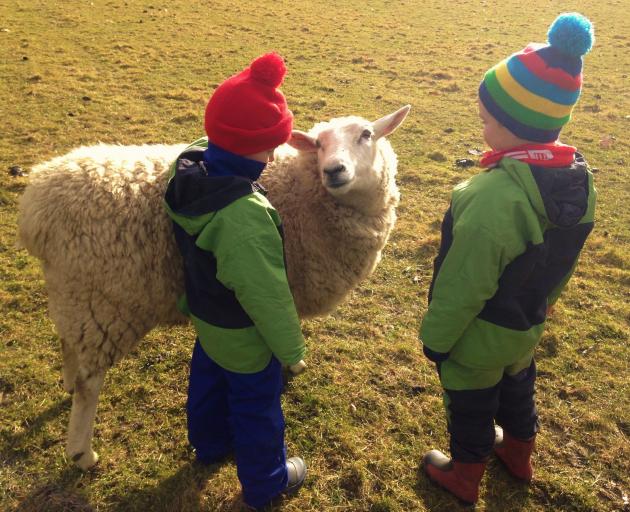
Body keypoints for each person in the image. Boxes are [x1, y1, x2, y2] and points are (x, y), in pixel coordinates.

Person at [419, 13, 597, 505]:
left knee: (472, 402)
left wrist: (436, 340)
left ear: (517, 126)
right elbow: (564, 263)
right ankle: (519, 454)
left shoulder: (490, 199)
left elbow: (463, 283)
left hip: (479, 332)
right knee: (518, 384)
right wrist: (540, 306)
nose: (481, 125)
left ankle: (465, 475)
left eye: (486, 119)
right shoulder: (580, 182)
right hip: (528, 322)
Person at [164, 52, 307, 510]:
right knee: (256, 406)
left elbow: (210, 139)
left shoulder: (187, 173)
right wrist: (291, 351)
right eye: (268, 148)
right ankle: (267, 482)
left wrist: (225, 131)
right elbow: (265, 294)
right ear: (251, 149)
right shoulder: (244, 217)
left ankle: (208, 445)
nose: (271, 157)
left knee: (207, 378)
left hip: (205, 314)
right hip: (243, 332)